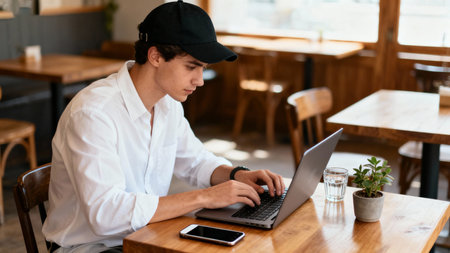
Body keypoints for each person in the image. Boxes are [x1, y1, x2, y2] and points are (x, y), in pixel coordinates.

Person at [42, 1, 285, 252]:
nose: (199, 80)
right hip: (93, 247)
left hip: (148, 234)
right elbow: (106, 215)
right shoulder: (93, 113)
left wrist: (236, 175)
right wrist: (204, 197)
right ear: (155, 56)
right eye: (191, 67)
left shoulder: (168, 105)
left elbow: (195, 161)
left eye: (203, 68)